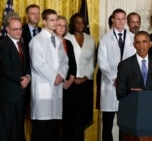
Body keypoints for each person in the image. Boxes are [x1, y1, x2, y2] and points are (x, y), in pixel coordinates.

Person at [29, 9, 68, 141]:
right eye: (52, 20)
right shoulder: (37, 41)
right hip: (44, 86)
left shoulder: (58, 41)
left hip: (56, 87)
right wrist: (54, 77)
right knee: (41, 127)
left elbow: (64, 61)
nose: (55, 22)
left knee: (53, 127)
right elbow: (37, 63)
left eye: (56, 19)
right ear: (44, 22)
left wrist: (61, 76)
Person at [97, 8, 136, 141]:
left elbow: (135, 61)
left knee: (124, 123)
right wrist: (115, 77)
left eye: (123, 19)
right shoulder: (104, 38)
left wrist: (124, 78)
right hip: (110, 83)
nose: (121, 21)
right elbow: (102, 62)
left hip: (126, 85)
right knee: (107, 123)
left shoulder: (133, 38)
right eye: (118, 19)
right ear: (113, 20)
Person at [0, 12, 31, 141]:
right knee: (5, 128)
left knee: (17, 127)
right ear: (7, 29)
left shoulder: (21, 43)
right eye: (15, 29)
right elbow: (5, 69)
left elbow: (27, 64)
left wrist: (28, 76)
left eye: (20, 28)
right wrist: (21, 80)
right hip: (8, 93)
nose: (18, 32)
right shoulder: (3, 44)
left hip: (20, 92)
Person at [64, 13, 95, 141]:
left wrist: (85, 77)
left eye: (82, 22)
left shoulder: (90, 39)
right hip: (70, 83)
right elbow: (64, 62)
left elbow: (92, 61)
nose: (80, 24)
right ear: (73, 24)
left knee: (81, 117)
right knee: (69, 116)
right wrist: (73, 78)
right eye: (77, 22)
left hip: (85, 83)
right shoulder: (66, 38)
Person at [116, 31, 152, 99]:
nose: (141, 45)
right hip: (133, 106)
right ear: (134, 45)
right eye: (137, 42)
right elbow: (120, 93)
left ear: (150, 44)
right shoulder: (124, 65)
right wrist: (135, 94)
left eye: (144, 42)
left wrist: (146, 94)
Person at [54, 15, 77, 141]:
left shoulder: (68, 43)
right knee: (55, 119)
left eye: (64, 26)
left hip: (69, 85)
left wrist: (70, 80)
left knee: (68, 118)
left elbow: (73, 64)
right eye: (59, 25)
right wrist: (61, 80)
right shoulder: (49, 42)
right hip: (55, 84)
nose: (62, 28)